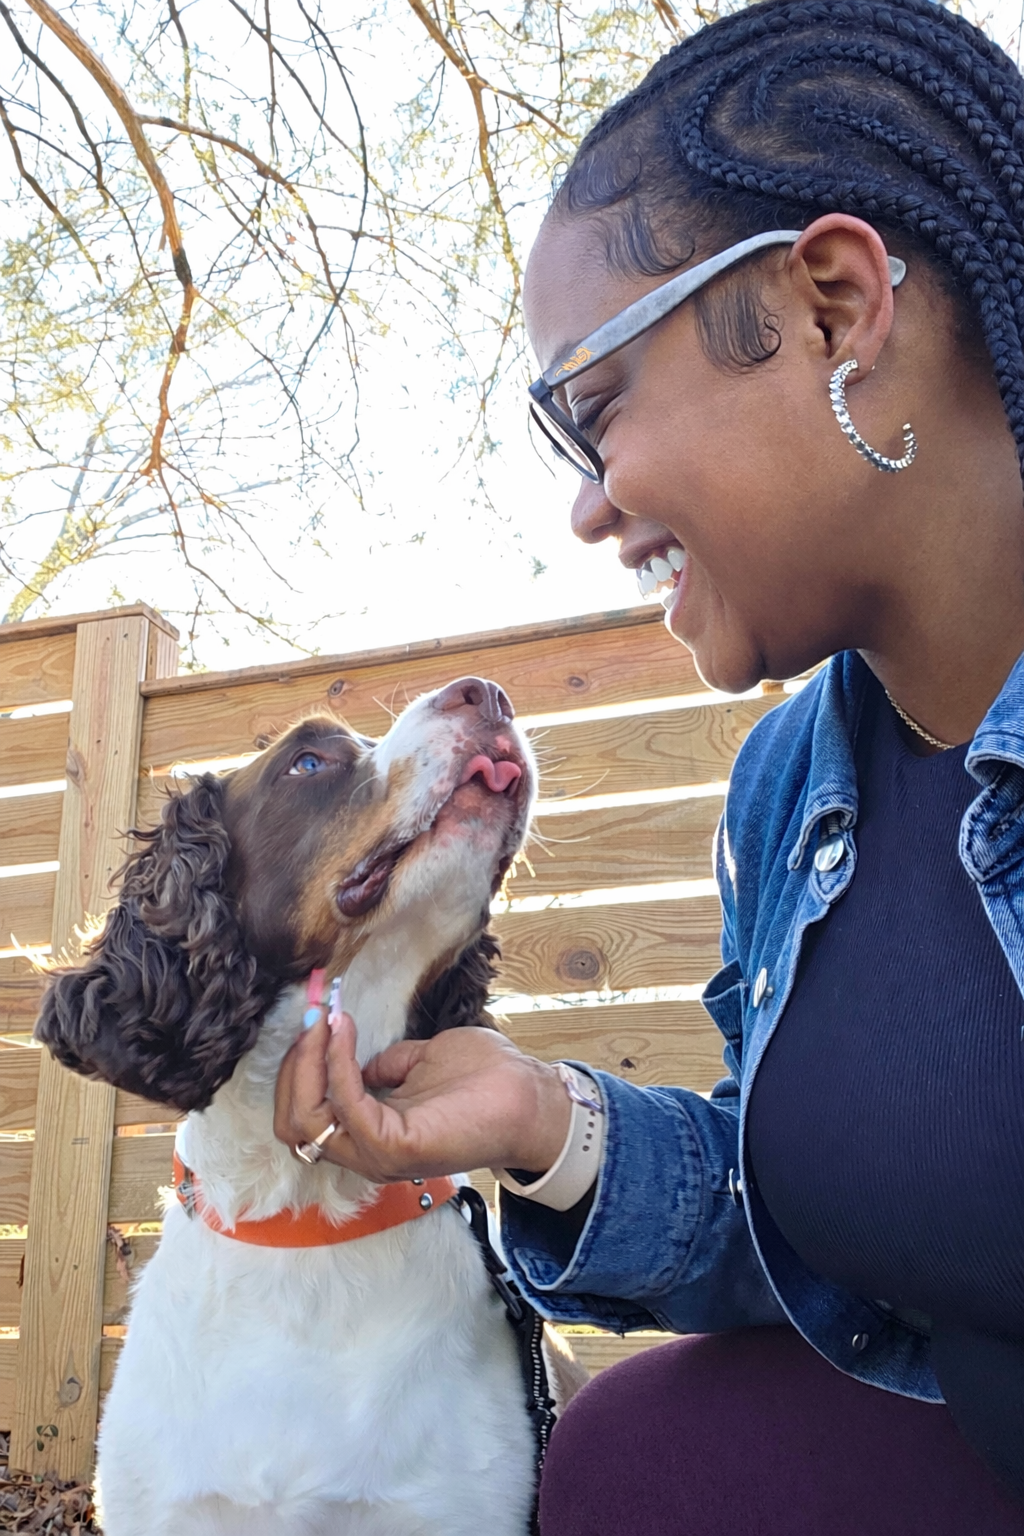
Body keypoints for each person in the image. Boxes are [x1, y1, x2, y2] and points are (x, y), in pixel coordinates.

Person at [274, 0, 1024, 1527]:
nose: (588, 507)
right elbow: (857, 1224)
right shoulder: (789, 793)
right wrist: (548, 1124)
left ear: (833, 309)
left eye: (594, 409)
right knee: (641, 1448)